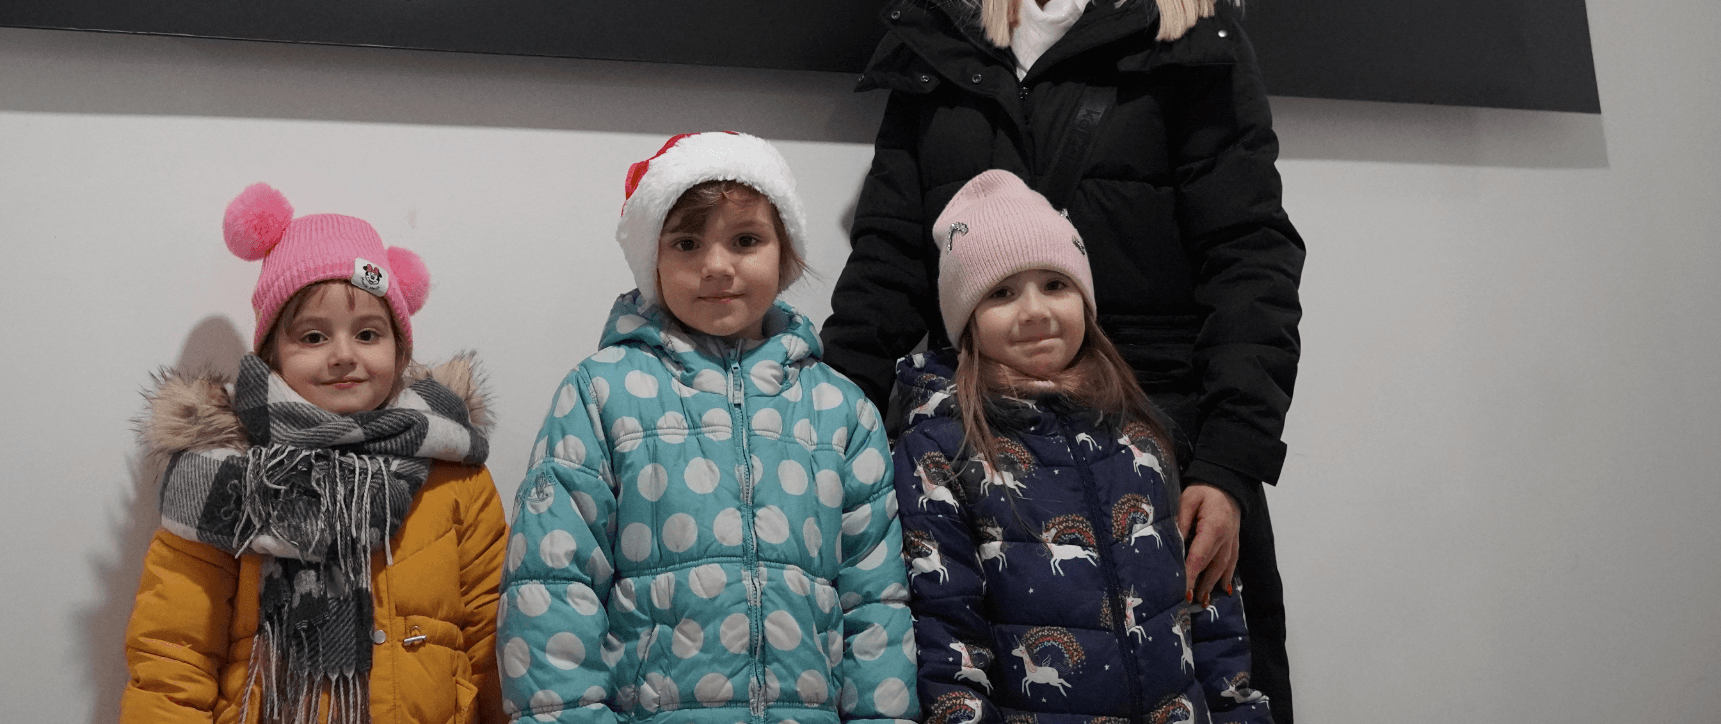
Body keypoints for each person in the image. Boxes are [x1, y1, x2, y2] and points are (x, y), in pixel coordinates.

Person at [821, 0, 1302, 720]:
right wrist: (832, 435)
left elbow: (1250, 258)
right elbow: (886, 257)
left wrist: (1230, 463)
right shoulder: (940, 37)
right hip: (974, 459)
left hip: (1160, 444)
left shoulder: (1192, 33)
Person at [497, 132, 917, 724]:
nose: (717, 266)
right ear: (654, 262)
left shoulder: (842, 410)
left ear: (785, 252)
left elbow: (876, 604)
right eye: (687, 243)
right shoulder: (599, 394)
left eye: (745, 240)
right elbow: (550, 588)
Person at [892, 170, 1271, 724]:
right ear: (966, 318)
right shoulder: (939, 452)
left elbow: (1212, 606)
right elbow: (945, 633)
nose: (1035, 311)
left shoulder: (1143, 434)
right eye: (1000, 292)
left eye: (1055, 284)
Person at [122, 183, 507, 724]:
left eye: (368, 334)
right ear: (272, 356)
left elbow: (497, 642)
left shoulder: (455, 477)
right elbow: (173, 656)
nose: (343, 355)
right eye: (312, 337)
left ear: (399, 351)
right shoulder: (221, 478)